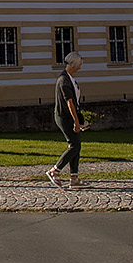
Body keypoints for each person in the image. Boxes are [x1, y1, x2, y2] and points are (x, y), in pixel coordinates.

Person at [46, 53, 86, 188]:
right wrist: (76, 121)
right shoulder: (64, 80)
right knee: (74, 145)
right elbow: (70, 103)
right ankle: (55, 170)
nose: (79, 68)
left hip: (69, 116)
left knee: (76, 145)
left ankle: (74, 178)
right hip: (65, 117)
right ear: (73, 65)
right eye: (79, 65)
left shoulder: (69, 79)